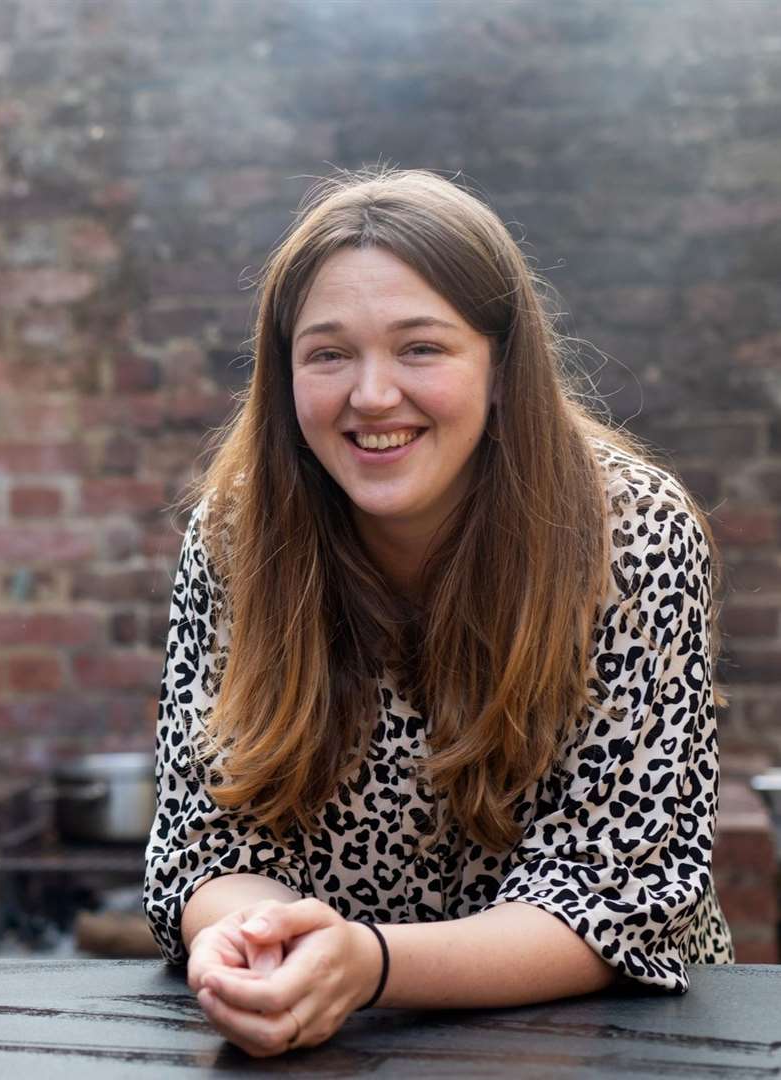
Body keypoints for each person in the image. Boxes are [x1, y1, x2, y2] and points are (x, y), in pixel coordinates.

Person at [143, 169, 732, 1056]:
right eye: (329, 354)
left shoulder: (633, 535)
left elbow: (620, 895)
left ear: (501, 369)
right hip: (326, 1042)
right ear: (285, 374)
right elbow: (206, 848)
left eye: (421, 348)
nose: (372, 395)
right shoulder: (236, 536)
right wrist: (255, 947)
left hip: (607, 1046)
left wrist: (367, 965)